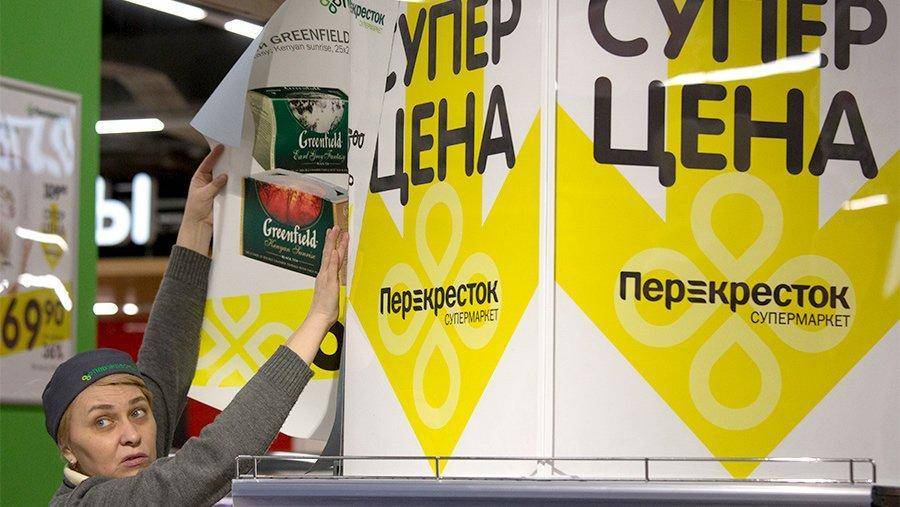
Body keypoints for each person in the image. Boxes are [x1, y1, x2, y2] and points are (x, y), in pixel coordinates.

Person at [42, 145, 349, 505]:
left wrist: (196, 225)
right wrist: (318, 318)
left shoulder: (127, 461)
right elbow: (212, 462)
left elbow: (167, 355)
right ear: (68, 448)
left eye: (138, 412)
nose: (131, 435)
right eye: (102, 422)